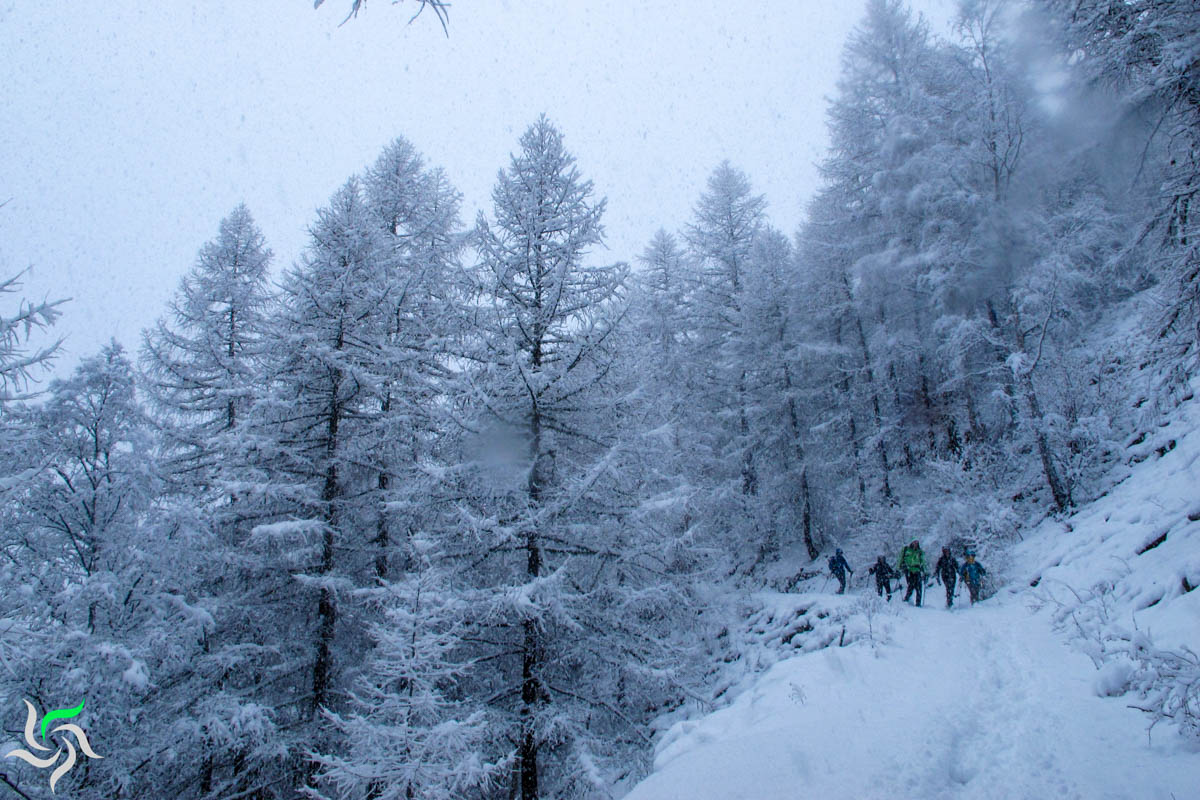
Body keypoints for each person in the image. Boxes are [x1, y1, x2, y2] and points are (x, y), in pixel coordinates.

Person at [897, 539, 927, 607]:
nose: (915, 544)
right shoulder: (906, 550)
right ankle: (907, 600)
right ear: (911, 542)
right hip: (908, 570)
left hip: (917, 570)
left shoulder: (920, 552)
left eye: (917, 542)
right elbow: (900, 559)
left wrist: (926, 572)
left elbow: (923, 562)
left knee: (918, 586)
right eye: (914, 542)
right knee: (911, 585)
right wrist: (898, 569)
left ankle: (917, 603)